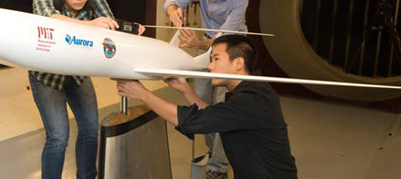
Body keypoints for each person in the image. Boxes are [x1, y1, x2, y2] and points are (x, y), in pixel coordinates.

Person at [115, 35, 298, 179]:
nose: (210, 66)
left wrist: (143, 94)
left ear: (239, 63)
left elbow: (191, 121)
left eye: (216, 58)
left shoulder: (252, 100)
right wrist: (186, 90)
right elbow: (213, 115)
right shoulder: (250, 92)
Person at [29, 0, 143, 179]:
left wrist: (128, 30)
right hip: (47, 78)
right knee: (58, 137)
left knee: (91, 131)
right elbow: (49, 19)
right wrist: (89, 25)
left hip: (78, 75)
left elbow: (109, 25)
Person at [163, 0, 248, 178]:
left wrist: (198, 43)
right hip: (206, 48)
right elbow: (172, 2)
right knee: (198, 100)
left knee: (223, 106)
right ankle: (218, 149)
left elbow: (225, 37)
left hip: (231, 50)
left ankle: (218, 167)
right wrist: (173, 10)